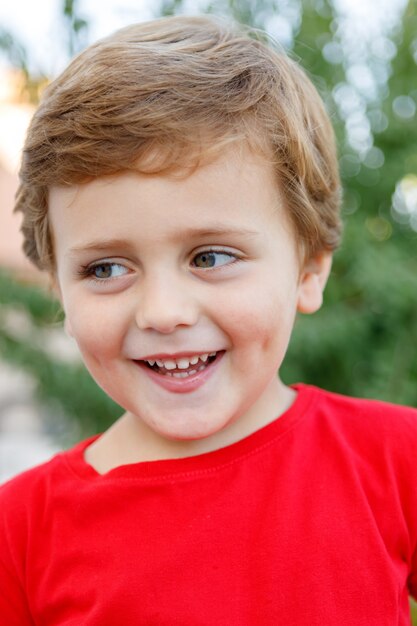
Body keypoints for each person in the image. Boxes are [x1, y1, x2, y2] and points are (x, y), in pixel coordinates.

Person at [0, 14, 416, 625]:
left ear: (309, 270)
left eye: (211, 257)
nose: (164, 313)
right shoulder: (20, 532)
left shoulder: (397, 460)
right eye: (106, 269)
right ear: (60, 291)